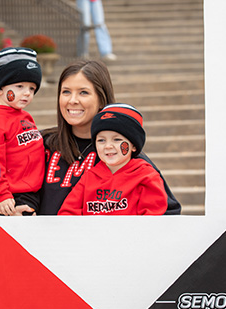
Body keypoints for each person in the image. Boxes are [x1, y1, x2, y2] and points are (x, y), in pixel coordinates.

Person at [33, 59, 181, 215]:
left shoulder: (122, 155)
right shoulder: (41, 144)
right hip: (41, 238)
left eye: (83, 92)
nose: (72, 100)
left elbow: (167, 212)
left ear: (101, 99)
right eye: (66, 92)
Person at [58, 103, 168, 215]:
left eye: (117, 140)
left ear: (134, 145)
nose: (108, 146)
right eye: (101, 140)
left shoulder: (146, 176)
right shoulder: (89, 176)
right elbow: (67, 213)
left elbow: (153, 216)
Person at [0, 47, 45, 216]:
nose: (27, 93)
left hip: (29, 194)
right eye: (19, 86)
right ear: (0, 88)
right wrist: (1, 194)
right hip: (9, 199)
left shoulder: (25, 116)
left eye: (31, 88)